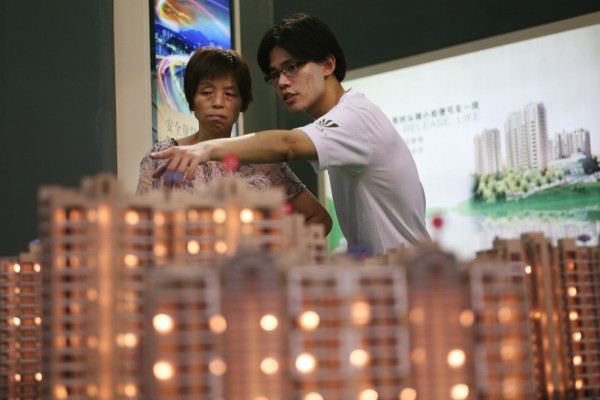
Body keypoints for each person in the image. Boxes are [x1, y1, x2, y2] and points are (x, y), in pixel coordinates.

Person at [150, 13, 430, 256]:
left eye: (292, 67)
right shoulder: (344, 118)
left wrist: (206, 149)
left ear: (328, 64)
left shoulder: (355, 116)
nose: (282, 82)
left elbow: (289, 145)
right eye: (274, 75)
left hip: (407, 281)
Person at [137, 47, 332, 234]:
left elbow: (318, 218)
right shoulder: (163, 157)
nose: (218, 103)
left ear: (242, 104)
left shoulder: (262, 160)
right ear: (191, 99)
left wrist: (280, 252)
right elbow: (140, 228)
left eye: (230, 94)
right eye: (206, 93)